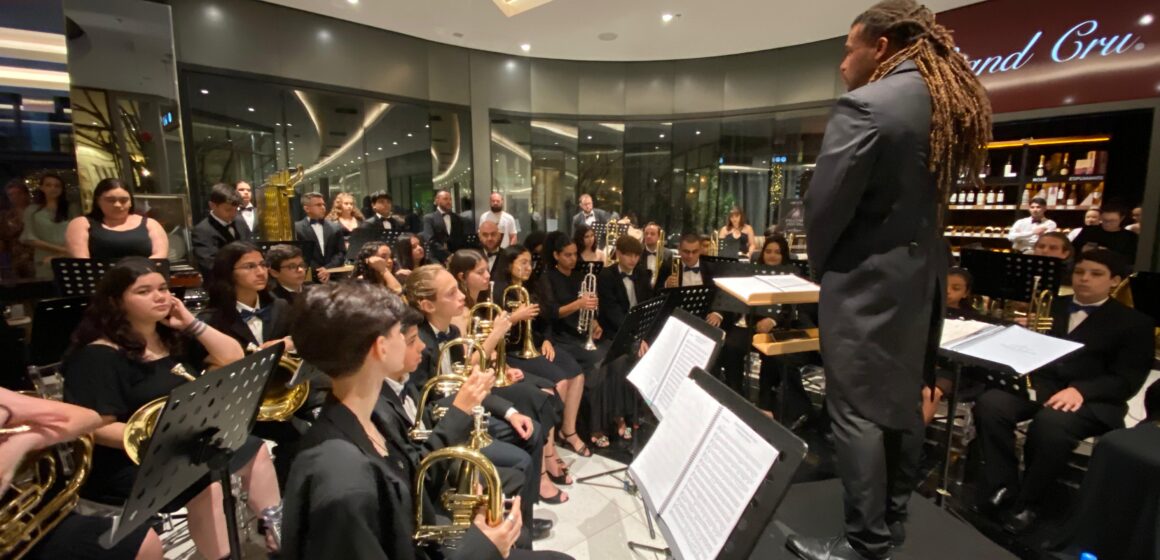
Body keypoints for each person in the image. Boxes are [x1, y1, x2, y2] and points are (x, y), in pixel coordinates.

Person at [787, 2, 992, 559]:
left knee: (854, 411)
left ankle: (865, 543)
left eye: (848, 48)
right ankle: (894, 520)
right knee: (904, 401)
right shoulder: (945, 102)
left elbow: (825, 208)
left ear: (880, 47)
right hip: (920, 279)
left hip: (866, 282)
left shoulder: (867, 106)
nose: (842, 62)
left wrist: (822, 270)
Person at [280, 281, 523, 559]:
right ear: (380, 348)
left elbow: (412, 477)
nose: (418, 342)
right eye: (403, 334)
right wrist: (484, 547)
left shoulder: (374, 412)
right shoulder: (342, 479)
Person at [61, 257, 280, 559]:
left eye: (163, 288)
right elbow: (96, 426)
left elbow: (233, 357)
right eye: (144, 291)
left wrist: (191, 322)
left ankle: (274, 532)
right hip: (131, 461)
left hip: (184, 444)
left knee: (253, 449)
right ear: (116, 301)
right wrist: (167, 438)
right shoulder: (99, 356)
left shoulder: (172, 339)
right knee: (208, 483)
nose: (160, 296)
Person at [974, 250, 1155, 535]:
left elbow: (1127, 380)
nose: (1084, 279)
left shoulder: (1136, 323)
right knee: (991, 404)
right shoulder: (1052, 306)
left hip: (1093, 399)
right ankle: (1004, 485)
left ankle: (1030, 503)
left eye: (1096, 274)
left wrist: (1081, 391)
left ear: (1115, 281)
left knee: (1050, 424)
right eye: (1080, 272)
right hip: (1044, 387)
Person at [404, 265, 566, 504]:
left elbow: (466, 381)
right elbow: (428, 406)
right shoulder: (419, 345)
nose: (461, 296)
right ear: (427, 305)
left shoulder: (452, 331)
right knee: (523, 448)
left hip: (466, 409)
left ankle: (525, 508)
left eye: (458, 290)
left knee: (533, 425)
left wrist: (509, 412)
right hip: (448, 424)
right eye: (451, 293)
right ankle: (518, 511)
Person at [751, 236, 817, 421]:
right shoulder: (753, 274)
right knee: (771, 354)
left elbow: (794, 311)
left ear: (784, 256)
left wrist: (772, 320)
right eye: (768, 251)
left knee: (776, 355)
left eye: (777, 253)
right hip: (765, 331)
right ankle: (772, 405)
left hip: (793, 331)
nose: (772, 256)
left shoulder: (792, 278)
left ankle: (770, 404)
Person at [66, 179, 169, 261]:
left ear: (131, 202)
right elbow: (82, 260)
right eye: (110, 200)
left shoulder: (150, 223)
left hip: (143, 280)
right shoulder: (81, 223)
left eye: (124, 200)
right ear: (98, 201)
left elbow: (160, 255)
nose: (117, 205)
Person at [657, 233, 726, 328]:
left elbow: (722, 292)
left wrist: (717, 313)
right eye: (686, 251)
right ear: (679, 250)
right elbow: (655, 293)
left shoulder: (711, 267)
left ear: (700, 250)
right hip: (677, 318)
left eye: (695, 252)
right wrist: (666, 285)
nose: (690, 256)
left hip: (704, 317)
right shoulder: (668, 266)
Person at [20, 173, 77, 279]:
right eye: (48, 185)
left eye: (57, 186)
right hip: (44, 259)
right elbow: (29, 238)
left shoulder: (71, 208)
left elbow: (78, 234)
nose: (53, 188)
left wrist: (65, 253)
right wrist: (61, 250)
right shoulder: (32, 210)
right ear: (42, 187)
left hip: (69, 258)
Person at [191, 183, 251, 277]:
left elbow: (251, 247)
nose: (233, 214)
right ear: (212, 205)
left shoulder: (240, 221)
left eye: (236, 209)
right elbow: (209, 264)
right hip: (221, 284)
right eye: (228, 210)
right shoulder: (202, 231)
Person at [293, 192, 343, 278]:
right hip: (309, 277)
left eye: (323, 204)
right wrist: (319, 271)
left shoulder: (335, 227)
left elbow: (341, 252)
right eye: (318, 205)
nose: (323, 207)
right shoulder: (297, 228)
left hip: (334, 275)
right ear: (307, 209)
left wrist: (327, 269)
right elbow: (300, 254)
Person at [1071, 205, 1139, 262]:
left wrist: (1107, 254)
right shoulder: (1089, 230)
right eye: (1105, 220)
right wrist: (1082, 250)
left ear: (1121, 218)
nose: (1108, 224)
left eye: (1112, 221)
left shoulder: (1130, 237)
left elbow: (1131, 260)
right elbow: (1072, 249)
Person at [420, 189, 467, 264]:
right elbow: (430, 240)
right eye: (445, 199)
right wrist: (447, 255)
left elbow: (461, 238)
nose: (449, 202)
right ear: (437, 201)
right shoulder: (429, 218)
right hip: (436, 258)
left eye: (450, 199)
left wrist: (455, 256)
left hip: (455, 258)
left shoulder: (458, 218)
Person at [0, 179, 34, 279]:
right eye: (11, 194)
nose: (15, 197)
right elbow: (2, 239)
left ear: (26, 194)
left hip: (38, 257)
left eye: (19, 193)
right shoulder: (5, 216)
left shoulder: (37, 212)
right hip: (16, 261)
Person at [636, 222, 669, 289]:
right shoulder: (637, 253)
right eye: (646, 233)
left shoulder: (669, 254)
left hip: (661, 293)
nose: (648, 236)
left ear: (659, 236)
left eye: (652, 234)